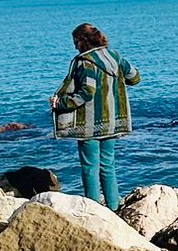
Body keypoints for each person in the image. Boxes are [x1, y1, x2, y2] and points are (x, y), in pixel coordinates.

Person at [50, 22, 140, 208]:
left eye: (75, 42)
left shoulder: (85, 62)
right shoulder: (115, 56)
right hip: (113, 121)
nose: (74, 46)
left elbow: (86, 93)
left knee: (90, 167)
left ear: (84, 41)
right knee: (108, 165)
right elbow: (135, 78)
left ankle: (94, 209)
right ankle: (113, 207)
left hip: (89, 124)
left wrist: (60, 103)